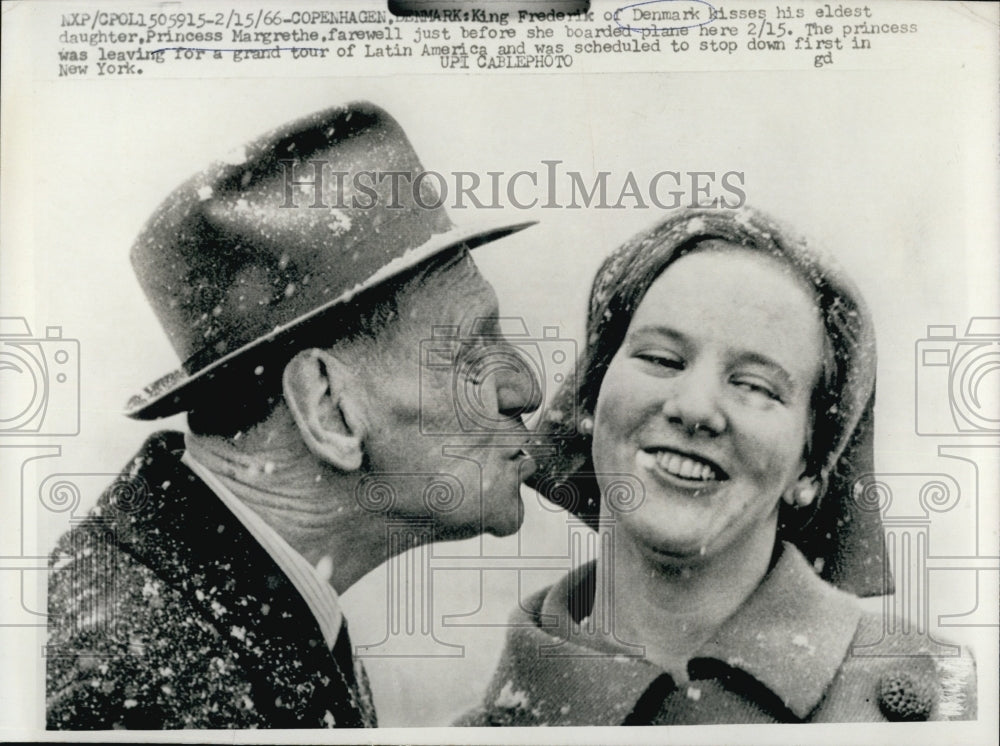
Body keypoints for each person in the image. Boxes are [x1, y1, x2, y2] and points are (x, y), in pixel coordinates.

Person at [45, 102, 541, 729]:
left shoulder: (209, 619)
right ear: (328, 408)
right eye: (470, 349)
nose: (525, 388)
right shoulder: (139, 687)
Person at [460, 207, 977, 725]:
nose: (695, 408)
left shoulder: (950, 710)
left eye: (755, 386)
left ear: (811, 468)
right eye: (661, 359)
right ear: (591, 400)